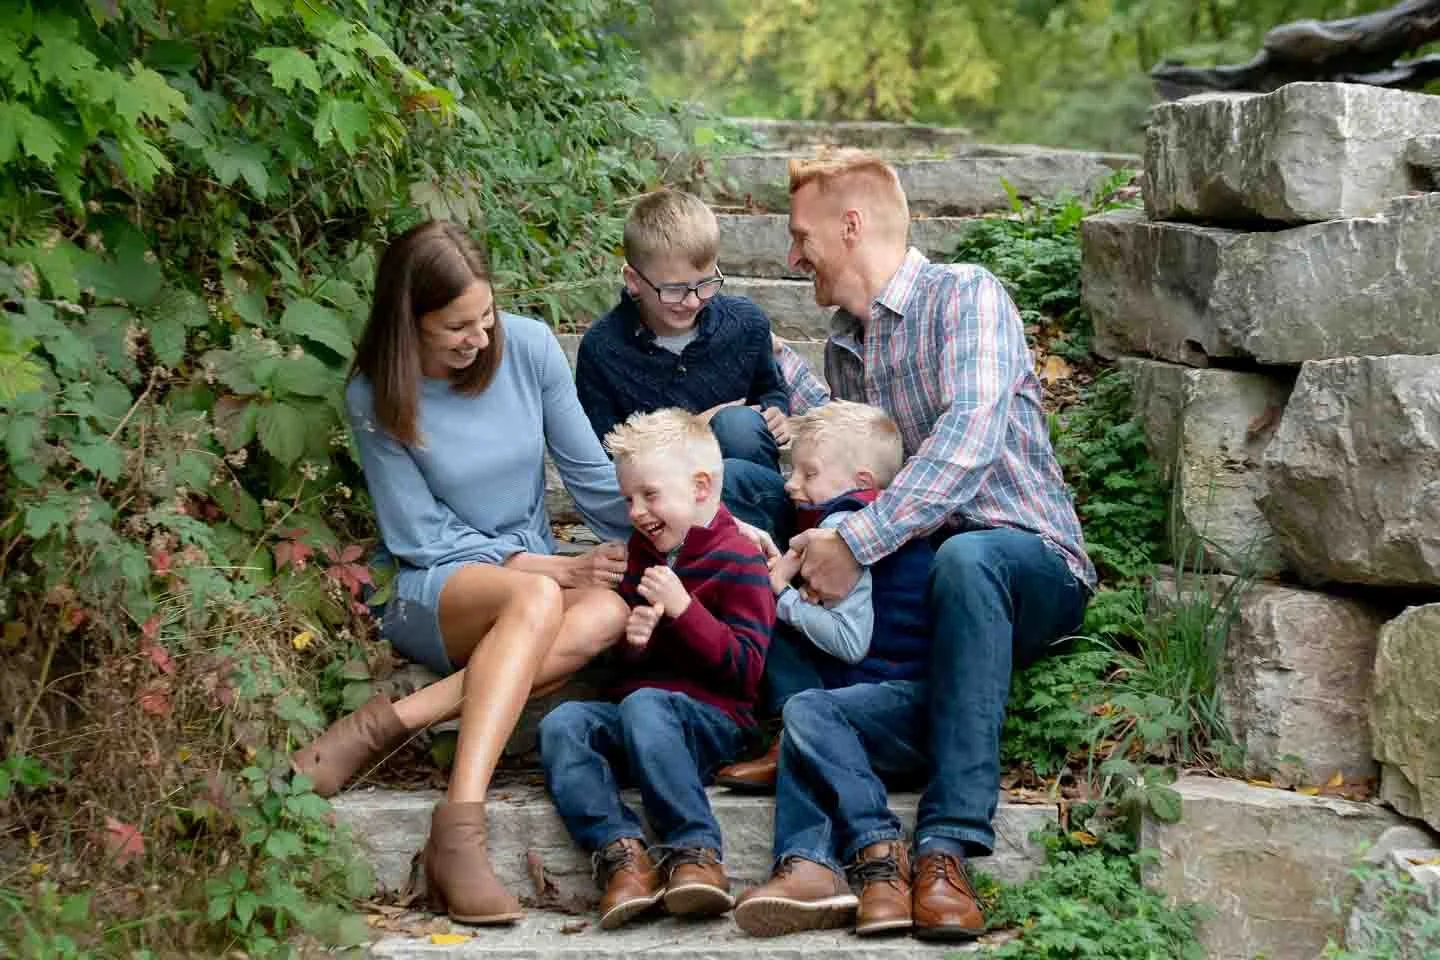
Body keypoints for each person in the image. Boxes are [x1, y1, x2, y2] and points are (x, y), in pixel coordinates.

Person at [754, 152, 1097, 940]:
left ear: (851, 225)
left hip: (1023, 560)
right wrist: (756, 358)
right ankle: (809, 783)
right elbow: (844, 453)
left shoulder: (965, 294)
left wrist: (857, 539)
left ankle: (945, 848)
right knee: (758, 481)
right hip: (921, 599)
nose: (792, 255)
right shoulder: (846, 346)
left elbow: (970, 437)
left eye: (802, 235)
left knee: (966, 557)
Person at [291, 220, 635, 926]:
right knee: (544, 594)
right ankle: (462, 827)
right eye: (455, 328)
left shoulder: (531, 347)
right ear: (407, 324)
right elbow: (419, 538)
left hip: (526, 591)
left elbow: (593, 482)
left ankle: (388, 724)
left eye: (484, 317)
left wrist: (690, 532)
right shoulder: (374, 396)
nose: (479, 338)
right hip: (432, 586)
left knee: (607, 611)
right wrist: (550, 568)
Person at [537, 409, 775, 931]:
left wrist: (686, 612)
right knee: (564, 722)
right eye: (627, 499)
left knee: (646, 705)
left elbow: (746, 673)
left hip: (714, 724)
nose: (637, 511)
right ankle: (622, 854)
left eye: (649, 495)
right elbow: (628, 670)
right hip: (642, 720)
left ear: (700, 486)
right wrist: (635, 642)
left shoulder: (740, 560)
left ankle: (694, 851)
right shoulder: (644, 557)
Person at [716, 400, 933, 793]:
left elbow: (850, 643)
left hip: (874, 690)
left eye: (809, 473)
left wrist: (781, 596)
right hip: (879, 677)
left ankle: (789, 734)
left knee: (763, 604)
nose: (790, 484)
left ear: (862, 482)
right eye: (792, 469)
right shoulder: (869, 513)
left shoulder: (840, 524)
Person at [575, 189, 790, 539]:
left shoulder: (746, 325)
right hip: (659, 507)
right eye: (673, 290)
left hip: (751, 494)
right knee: (712, 472)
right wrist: (693, 429)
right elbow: (607, 452)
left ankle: (758, 556)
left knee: (737, 429)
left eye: (705, 285)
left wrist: (776, 410)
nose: (692, 302)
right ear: (634, 281)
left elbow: (771, 389)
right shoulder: (602, 349)